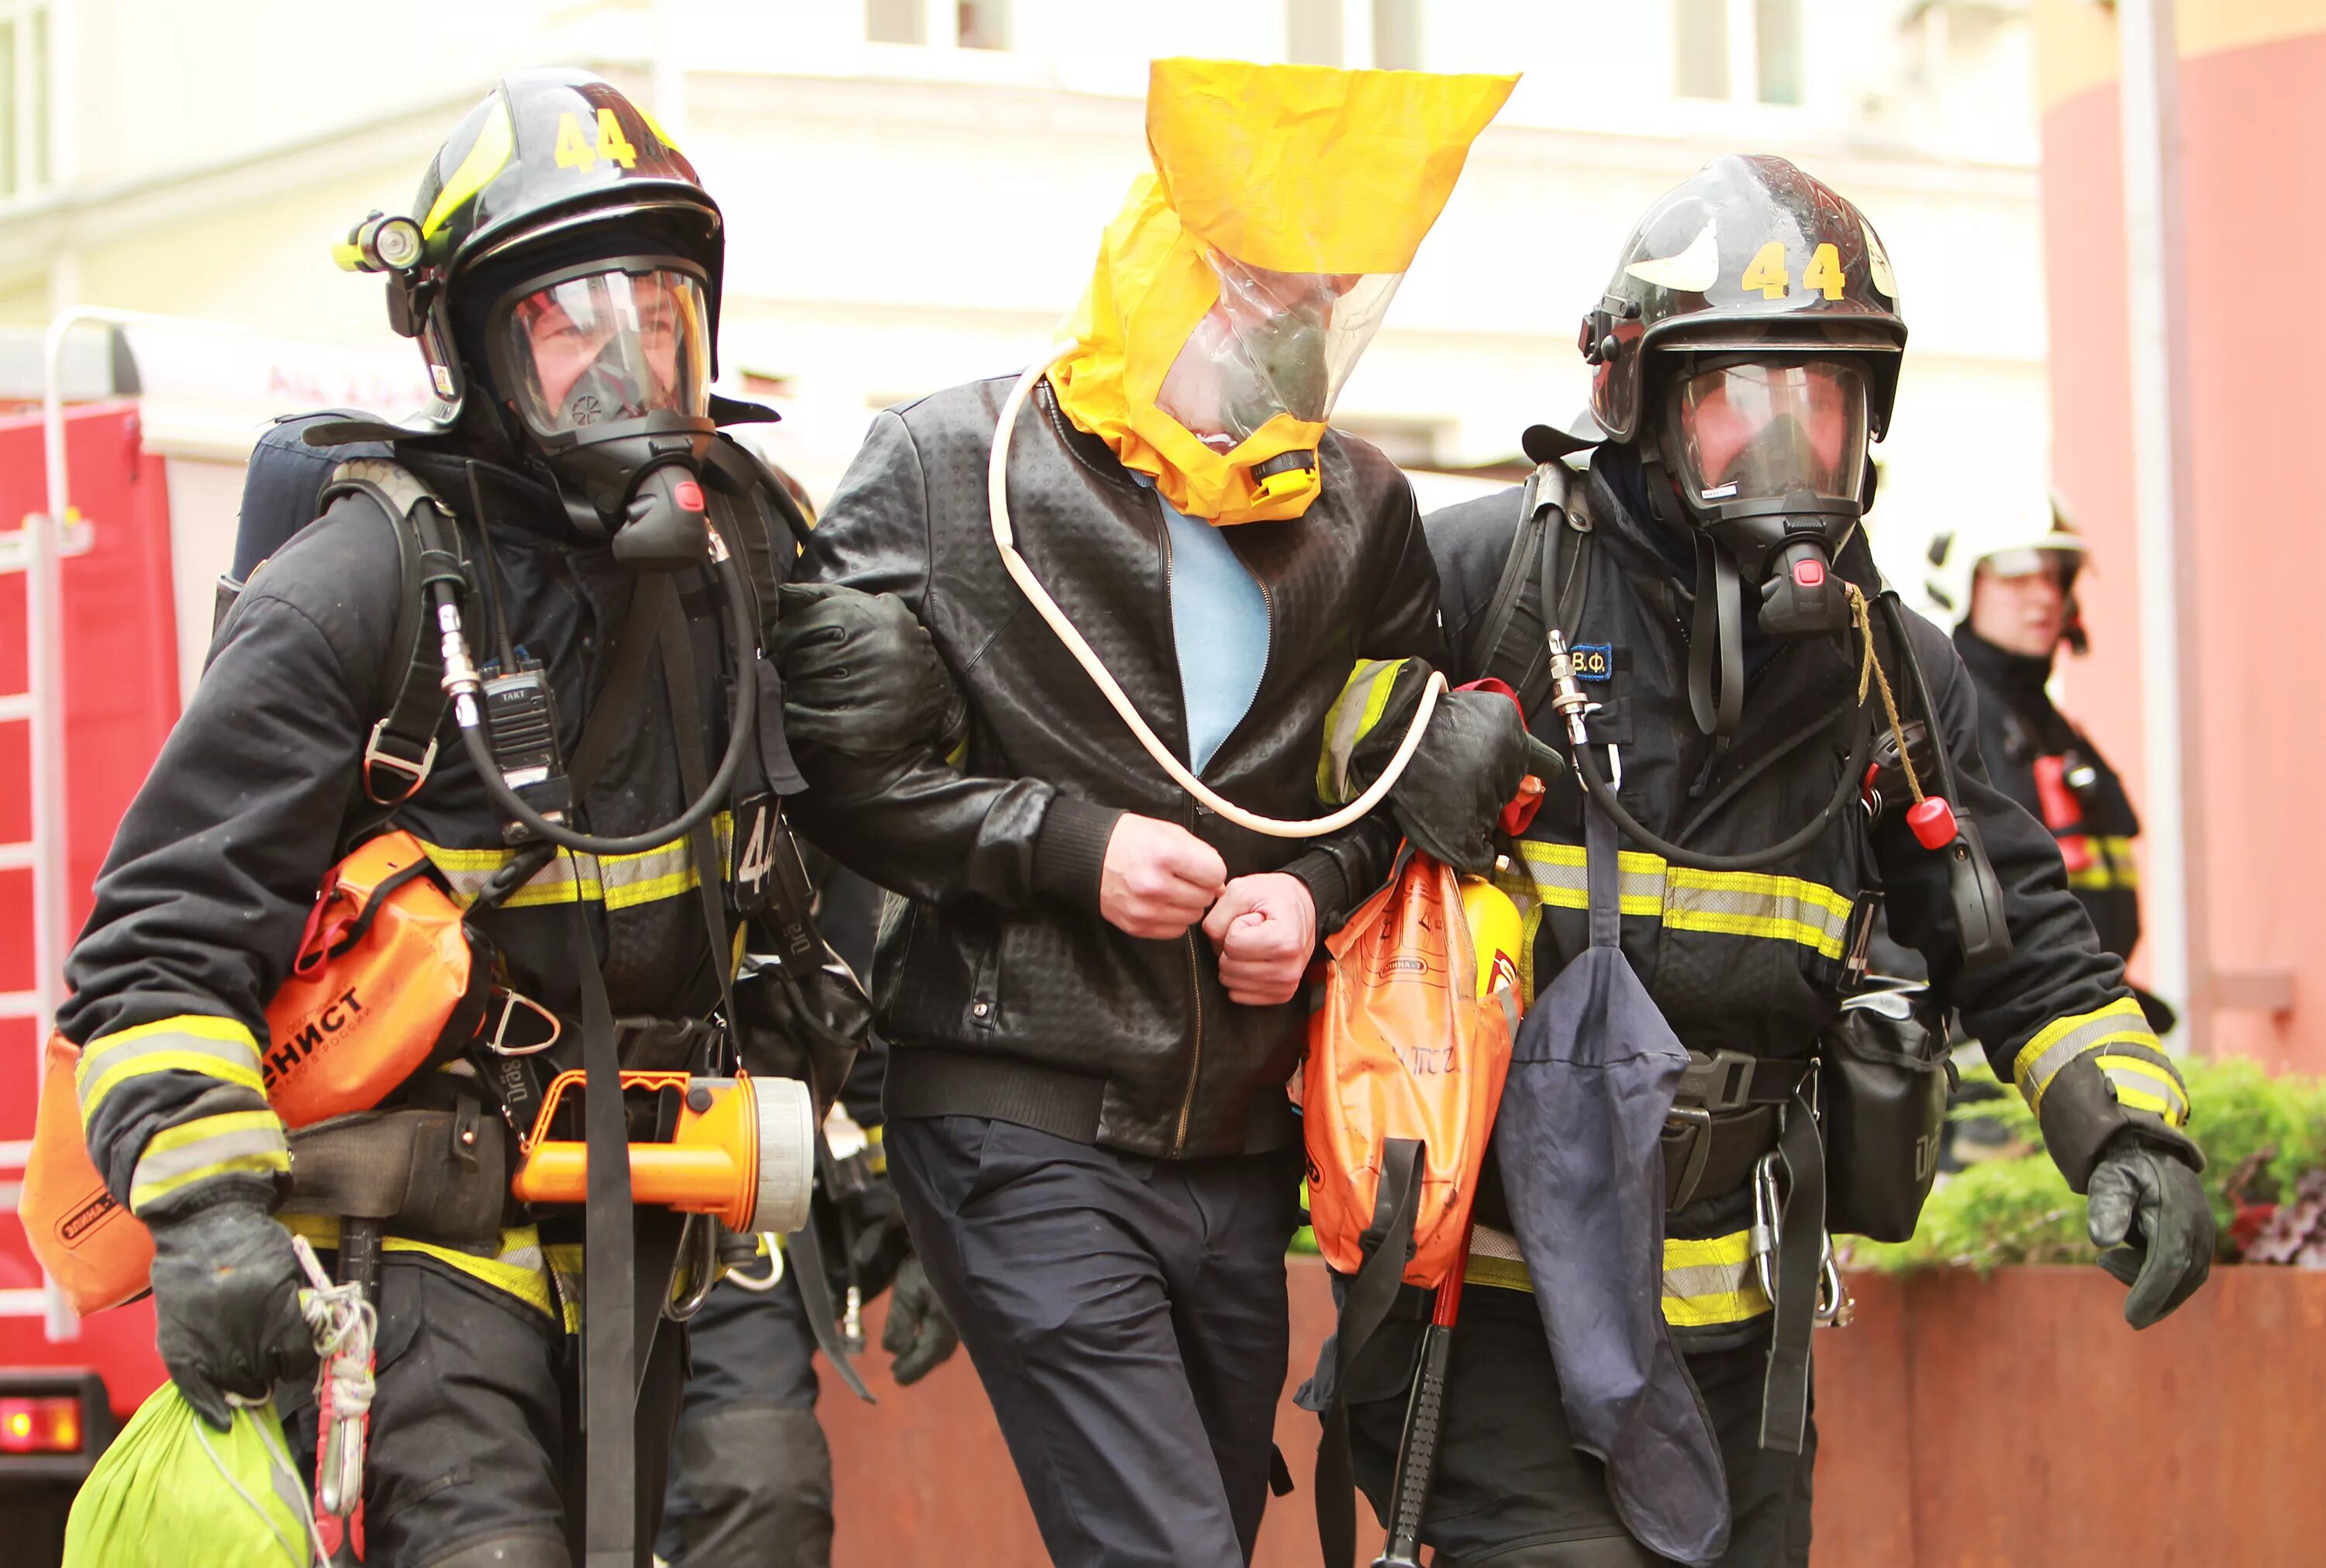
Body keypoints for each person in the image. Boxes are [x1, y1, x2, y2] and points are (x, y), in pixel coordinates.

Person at [1316, 155, 2213, 1567]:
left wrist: (2129, 1126)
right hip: (1490, 1305)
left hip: (1738, 1328)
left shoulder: (1883, 666)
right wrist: (1386, 741)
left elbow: (2016, 925)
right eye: (1744, 394)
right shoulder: (1489, 577)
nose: (1788, 443)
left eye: (1827, 399)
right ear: (1645, 397)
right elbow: (1279, 785)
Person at [57, 69, 856, 1568]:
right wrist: (210, 1208)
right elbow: (156, 951)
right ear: (466, 346)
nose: (631, 362)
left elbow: (857, 864)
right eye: (573, 324)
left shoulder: (746, 547)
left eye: (663, 312)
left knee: (765, 1518)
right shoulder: (356, 585)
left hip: (690, 1201)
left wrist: (869, 1146)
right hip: (430, 1224)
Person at [768, 57, 1519, 1568]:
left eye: (1320, 305)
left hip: (1237, 1147)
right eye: (1259, 296)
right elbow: (835, 779)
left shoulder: (1362, 516)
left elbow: (1393, 783)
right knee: (1172, 1552)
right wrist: (1074, 848)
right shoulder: (941, 471)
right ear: (1163, 273)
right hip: (1013, 1110)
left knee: (1210, 1537)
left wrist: (1309, 893)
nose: (1291, 339)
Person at [657, 860, 959, 1568]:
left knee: (765, 1497)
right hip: (470, 1217)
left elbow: (861, 991)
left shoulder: (773, 755)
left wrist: (930, 1221)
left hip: (719, 1213)